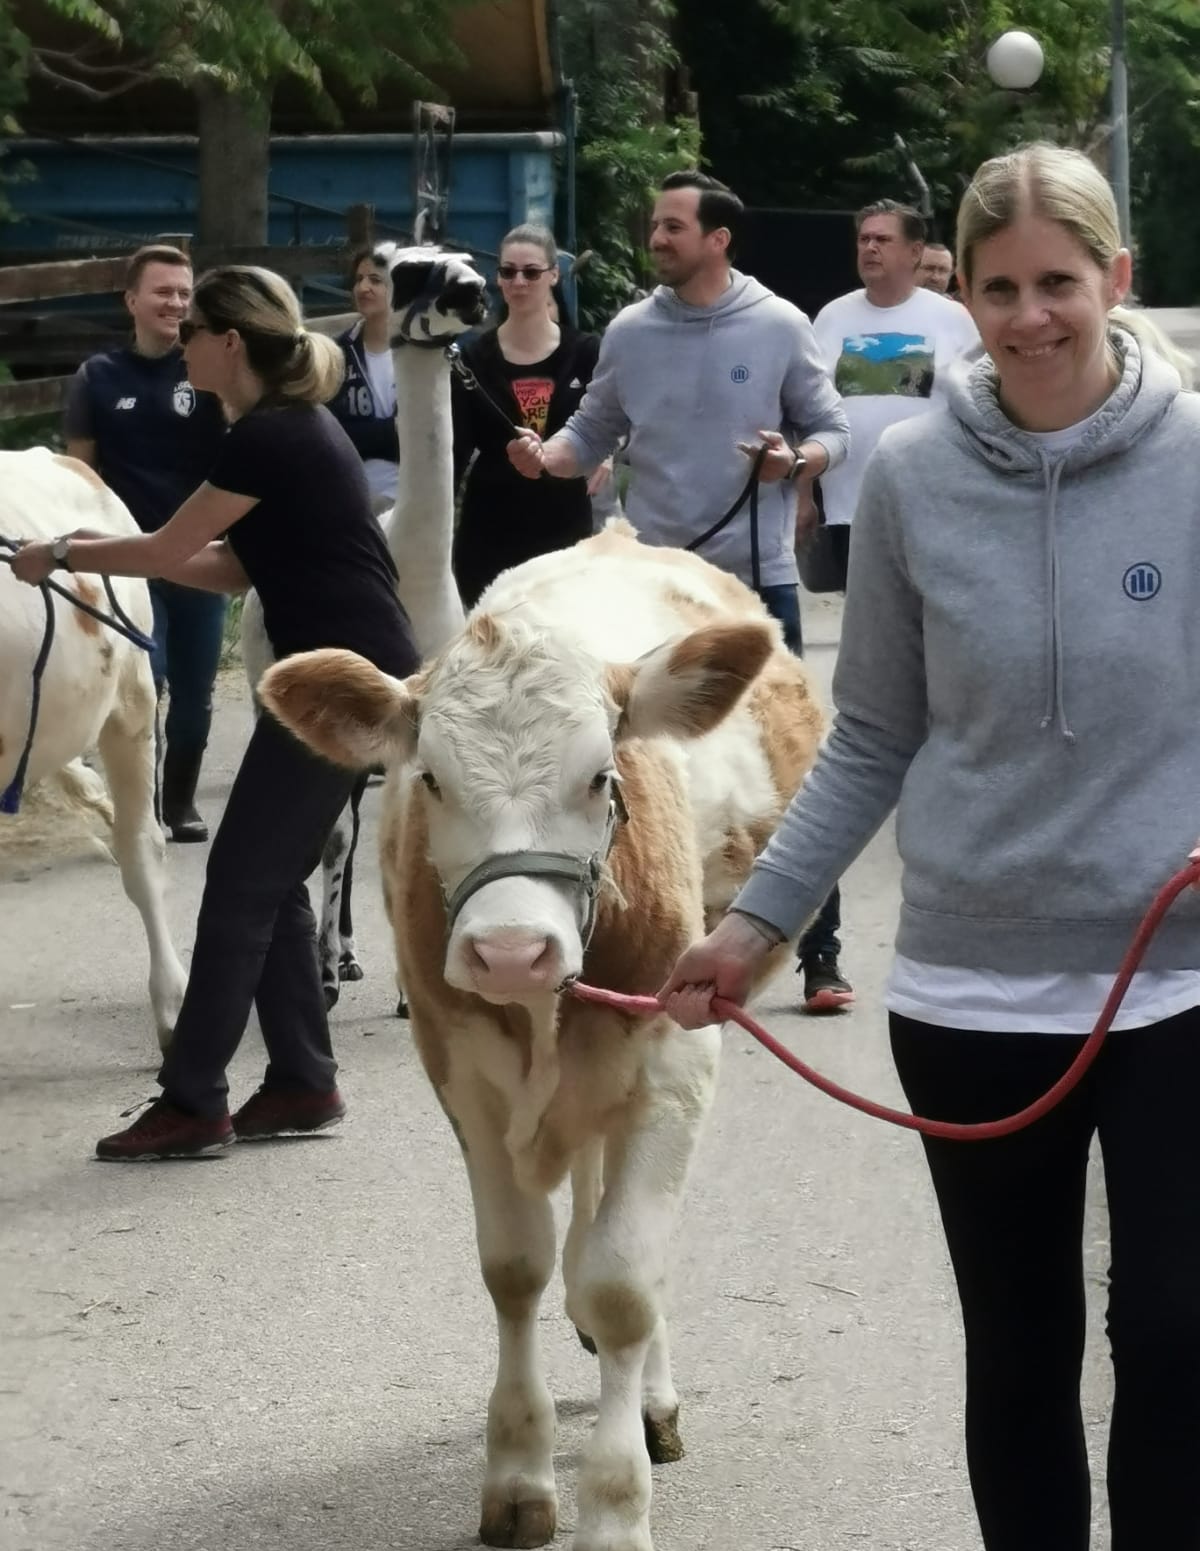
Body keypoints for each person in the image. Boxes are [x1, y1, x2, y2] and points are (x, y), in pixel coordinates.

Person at [658, 143, 1200, 1551]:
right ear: (968, 295)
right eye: (1002, 289)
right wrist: (755, 926)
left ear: (1117, 280)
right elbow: (876, 732)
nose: (1031, 318)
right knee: (1019, 1353)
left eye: (1060, 283)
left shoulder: (1197, 459)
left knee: (1175, 1335)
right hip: (973, 994)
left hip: (1178, 984)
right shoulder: (907, 475)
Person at [13, 266, 420, 1162]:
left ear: (230, 343)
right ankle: (304, 1082)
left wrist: (65, 551)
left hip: (340, 683)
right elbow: (232, 567)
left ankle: (194, 1100)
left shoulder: (269, 436)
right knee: (267, 880)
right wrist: (95, 555)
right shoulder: (284, 429)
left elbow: (166, 547)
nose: (182, 340)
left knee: (238, 886)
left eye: (194, 327)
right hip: (345, 675)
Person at [507, 170, 856, 1014]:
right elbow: (591, 432)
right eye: (656, 226)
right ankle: (644, 933)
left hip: (753, 585)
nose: (656, 238)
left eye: (672, 227)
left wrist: (795, 462)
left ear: (718, 239)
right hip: (652, 589)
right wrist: (546, 458)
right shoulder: (630, 331)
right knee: (643, 762)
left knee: (795, 771)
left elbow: (833, 429)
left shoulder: (778, 324)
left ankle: (821, 954)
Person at [64, 243, 228, 843]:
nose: (176, 303)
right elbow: (80, 475)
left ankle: (179, 801)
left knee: (196, 691)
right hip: (131, 561)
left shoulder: (209, 370)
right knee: (145, 683)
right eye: (163, 291)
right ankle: (144, 805)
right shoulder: (97, 378)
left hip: (201, 557)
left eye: (185, 293)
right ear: (131, 300)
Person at [805, 201, 978, 592]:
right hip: (850, 505)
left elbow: (978, 407)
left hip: (930, 503)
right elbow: (806, 411)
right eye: (864, 239)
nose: (870, 248)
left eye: (882, 240)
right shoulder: (832, 317)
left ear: (914, 252)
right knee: (865, 617)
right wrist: (803, 495)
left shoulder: (952, 319)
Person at [450, 222, 610, 608]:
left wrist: (606, 454)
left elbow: (612, 418)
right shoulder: (471, 359)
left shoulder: (586, 351)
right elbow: (455, 452)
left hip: (564, 524)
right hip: (491, 525)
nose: (518, 282)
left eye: (531, 272)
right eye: (508, 272)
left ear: (553, 275)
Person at [326, 245, 400, 513]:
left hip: (409, 500)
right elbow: (329, 433)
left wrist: (359, 434)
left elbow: (422, 438)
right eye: (359, 279)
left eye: (375, 280)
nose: (363, 287)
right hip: (348, 498)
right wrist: (391, 432)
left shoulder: (421, 354)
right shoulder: (337, 352)